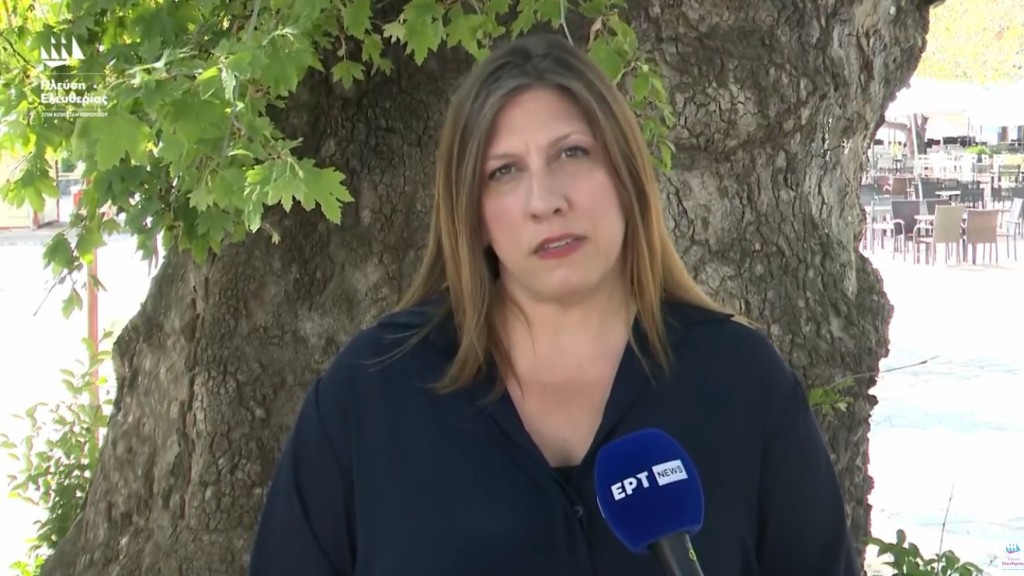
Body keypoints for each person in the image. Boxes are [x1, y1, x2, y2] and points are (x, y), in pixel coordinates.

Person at [247, 32, 860, 576]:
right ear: (472, 214)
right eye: (504, 172)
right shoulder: (372, 392)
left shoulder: (742, 383)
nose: (545, 200)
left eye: (572, 153)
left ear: (626, 175)